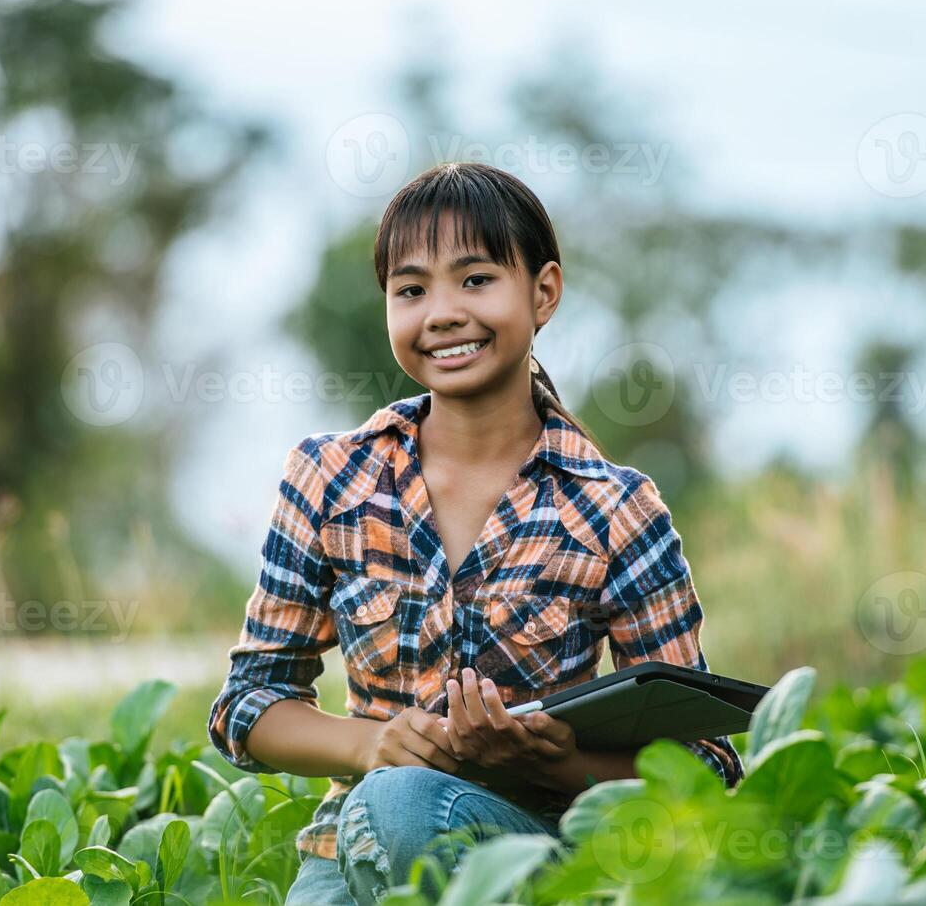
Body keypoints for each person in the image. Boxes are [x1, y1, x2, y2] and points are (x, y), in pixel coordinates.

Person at [207, 162, 744, 905]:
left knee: (405, 802)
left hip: (539, 848)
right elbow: (250, 705)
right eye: (412, 290)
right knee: (388, 803)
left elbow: (705, 763)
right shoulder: (329, 477)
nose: (443, 313)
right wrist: (375, 744)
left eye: (477, 279)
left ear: (543, 292)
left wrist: (554, 762)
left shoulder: (618, 509)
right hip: (351, 842)